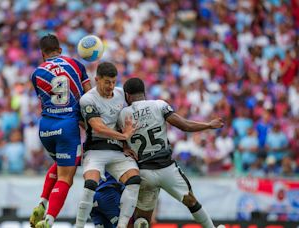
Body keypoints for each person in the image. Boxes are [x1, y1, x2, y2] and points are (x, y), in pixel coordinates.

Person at [119, 78, 224, 228]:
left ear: (127, 95)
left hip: (143, 172)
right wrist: (208, 124)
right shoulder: (158, 105)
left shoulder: (123, 114)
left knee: (143, 220)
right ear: (144, 92)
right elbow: (185, 126)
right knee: (191, 201)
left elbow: (117, 137)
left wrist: (124, 146)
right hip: (166, 169)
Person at [29, 34, 92, 228]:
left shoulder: (36, 73)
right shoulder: (75, 64)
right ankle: (49, 221)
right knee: (66, 176)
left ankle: (42, 201)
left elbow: (45, 99)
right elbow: (89, 98)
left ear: (42, 54)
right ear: (60, 50)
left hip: (46, 127)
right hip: (67, 127)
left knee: (62, 164)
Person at [75, 62, 140, 228]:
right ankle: (79, 226)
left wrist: (125, 144)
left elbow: (123, 119)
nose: (111, 86)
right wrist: (123, 136)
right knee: (90, 185)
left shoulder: (120, 93)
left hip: (117, 149)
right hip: (95, 149)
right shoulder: (87, 99)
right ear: (97, 80)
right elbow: (98, 127)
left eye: (113, 82)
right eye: (107, 82)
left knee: (134, 180)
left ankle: (122, 225)